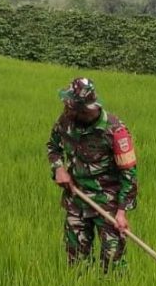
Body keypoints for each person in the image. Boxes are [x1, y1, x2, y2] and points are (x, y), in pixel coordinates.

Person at [46, 77, 138, 272]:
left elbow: (129, 173)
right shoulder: (66, 122)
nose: (66, 110)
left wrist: (122, 212)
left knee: (113, 264)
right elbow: (53, 147)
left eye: (71, 106)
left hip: (107, 204)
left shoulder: (115, 130)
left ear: (86, 109)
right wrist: (58, 169)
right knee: (76, 263)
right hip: (76, 200)